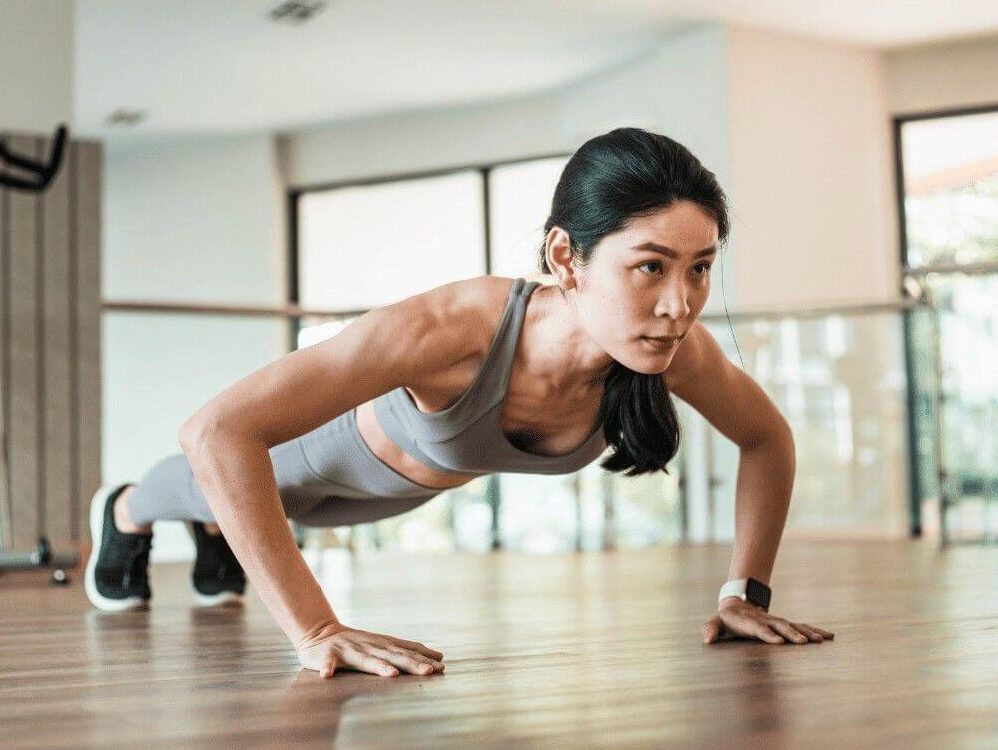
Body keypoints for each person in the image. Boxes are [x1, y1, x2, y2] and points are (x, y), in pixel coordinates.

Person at [85, 127, 833, 680]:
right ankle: (120, 513)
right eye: (650, 267)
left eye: (701, 268)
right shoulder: (456, 328)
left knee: (240, 507)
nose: (680, 304)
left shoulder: (669, 350)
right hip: (311, 460)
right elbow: (216, 431)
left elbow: (767, 439)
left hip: (395, 494)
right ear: (565, 258)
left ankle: (218, 527)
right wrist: (316, 630)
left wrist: (747, 593)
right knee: (184, 485)